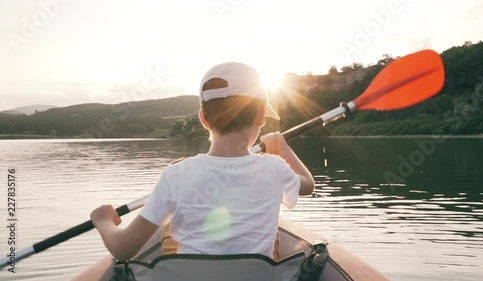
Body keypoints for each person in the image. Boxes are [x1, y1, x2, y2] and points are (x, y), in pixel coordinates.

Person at [90, 62, 315, 261]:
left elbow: (122, 250)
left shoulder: (176, 174)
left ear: (204, 119)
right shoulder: (274, 168)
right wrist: (282, 149)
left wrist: (103, 221)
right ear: (260, 115)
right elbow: (308, 184)